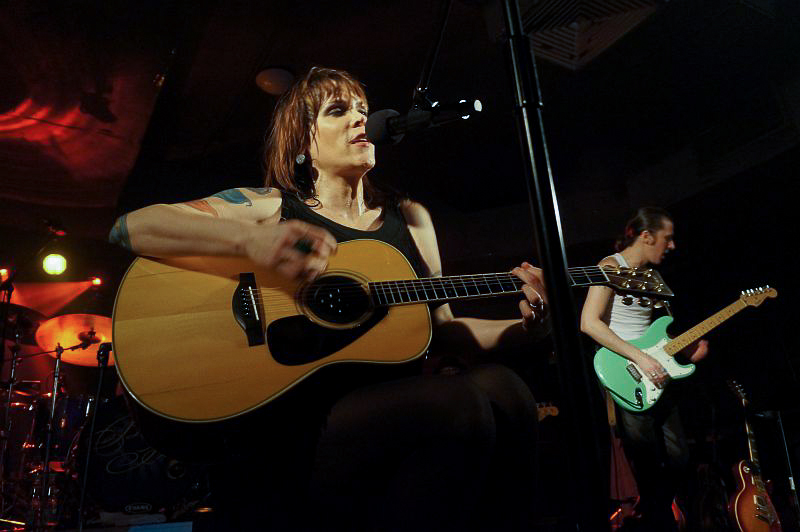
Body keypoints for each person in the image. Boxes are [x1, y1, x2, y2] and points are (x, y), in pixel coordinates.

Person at [109, 66, 550, 531]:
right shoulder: (270, 206)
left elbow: (442, 328)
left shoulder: (411, 217)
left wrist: (528, 327)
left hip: (399, 410)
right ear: (303, 141)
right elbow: (130, 227)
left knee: (507, 391)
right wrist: (250, 241)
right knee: (458, 403)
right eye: (338, 110)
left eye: (362, 109)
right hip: (299, 425)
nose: (361, 119)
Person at [580, 207, 708, 531]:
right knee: (647, 460)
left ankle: (656, 512)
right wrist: (639, 358)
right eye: (668, 238)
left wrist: (685, 350)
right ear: (647, 236)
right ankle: (656, 520)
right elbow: (589, 323)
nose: (672, 245)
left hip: (656, 372)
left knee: (679, 457)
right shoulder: (610, 266)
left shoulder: (652, 277)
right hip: (626, 372)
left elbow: (655, 334)